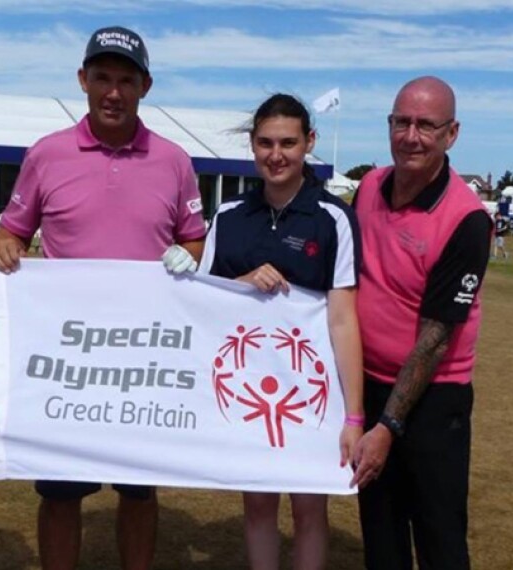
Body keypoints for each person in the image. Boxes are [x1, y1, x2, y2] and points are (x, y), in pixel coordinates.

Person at [0, 25, 207, 570]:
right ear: (82, 80)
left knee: (138, 491)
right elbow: (9, 231)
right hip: (67, 360)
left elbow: (193, 236)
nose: (114, 91)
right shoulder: (47, 154)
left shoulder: (174, 160)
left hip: (146, 357)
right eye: (102, 77)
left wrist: (190, 254)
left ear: (145, 86)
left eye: (126, 80)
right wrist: (6, 250)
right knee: (59, 493)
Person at [169, 93, 364, 570]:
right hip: (245, 386)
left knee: (309, 506)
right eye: (265, 143)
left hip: (312, 392)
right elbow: (209, 303)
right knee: (257, 504)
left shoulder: (333, 217)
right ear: (252, 145)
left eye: (288, 143)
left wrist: (355, 416)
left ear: (309, 143)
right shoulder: (230, 216)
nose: (276, 154)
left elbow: (343, 318)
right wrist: (242, 280)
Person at [350, 76, 491, 570]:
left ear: (451, 134)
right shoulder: (368, 186)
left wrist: (388, 425)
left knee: (439, 535)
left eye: (426, 125)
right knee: (380, 529)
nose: (411, 135)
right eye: (401, 122)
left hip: (435, 399)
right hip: (370, 384)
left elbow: (435, 340)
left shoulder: (466, 219)